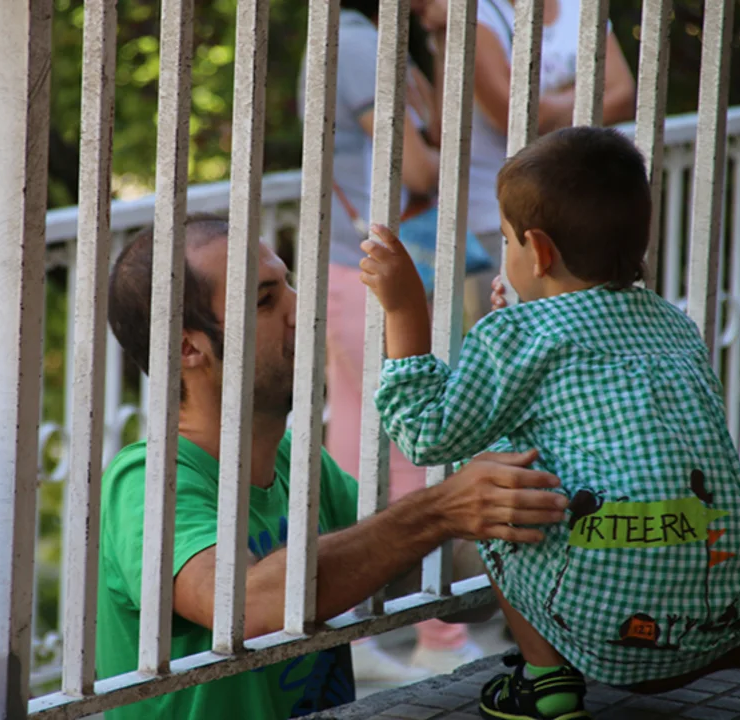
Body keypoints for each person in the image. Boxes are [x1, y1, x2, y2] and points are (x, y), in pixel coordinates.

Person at [359, 128, 740, 720]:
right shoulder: (670, 322)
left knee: (494, 491)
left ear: (538, 252)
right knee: (673, 631)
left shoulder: (517, 335)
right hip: (719, 583)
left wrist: (405, 311)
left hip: (600, 604)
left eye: (506, 240)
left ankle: (546, 681)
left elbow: (428, 433)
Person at [96, 214, 571, 719]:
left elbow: (455, 584)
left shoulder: (301, 464)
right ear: (188, 347)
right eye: (265, 301)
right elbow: (243, 607)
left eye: (288, 284)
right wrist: (438, 510)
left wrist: (536, 486)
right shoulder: (147, 480)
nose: (302, 308)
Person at [298, 0, 492, 680]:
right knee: (411, 447)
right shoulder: (356, 46)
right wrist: (448, 155)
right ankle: (437, 633)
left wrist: (438, 41)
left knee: (355, 450)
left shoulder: (376, 43)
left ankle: (354, 632)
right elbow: (417, 171)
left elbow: (431, 128)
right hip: (377, 272)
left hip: (364, 269)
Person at [434, 0, 638, 323]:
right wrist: (584, 91)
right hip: (499, 213)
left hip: (578, 205)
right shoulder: (473, 11)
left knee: (577, 322)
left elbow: (624, 95)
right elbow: (516, 115)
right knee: (513, 320)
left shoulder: (580, 6)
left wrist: (549, 106)